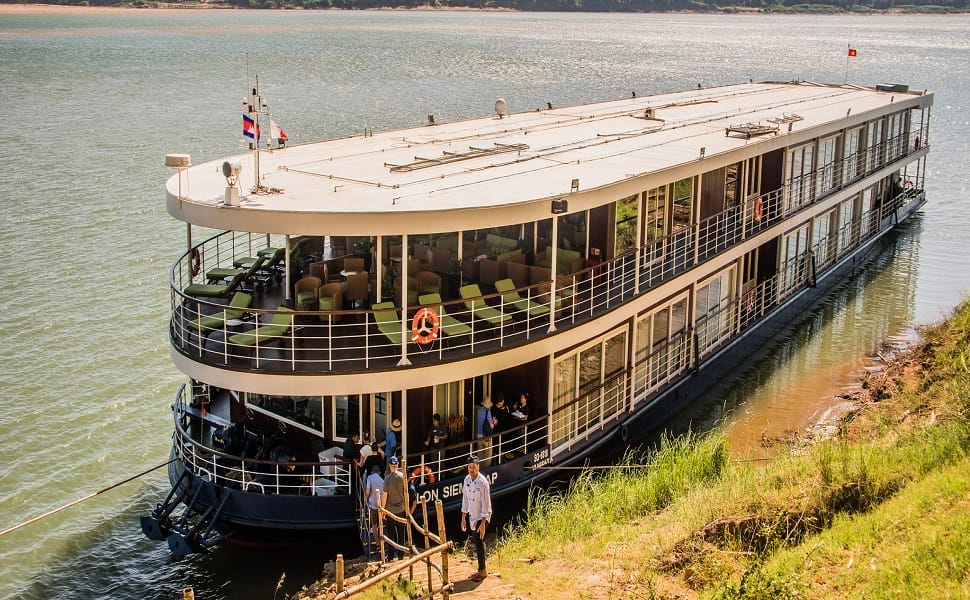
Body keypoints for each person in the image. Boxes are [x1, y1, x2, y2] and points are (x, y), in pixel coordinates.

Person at [460, 454, 492, 582]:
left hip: (483, 516)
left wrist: (483, 523)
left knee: (479, 542)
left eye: (474, 467)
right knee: (478, 541)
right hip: (472, 515)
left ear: (478, 467)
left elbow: (486, 504)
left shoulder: (483, 482)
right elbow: (465, 500)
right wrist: (463, 517)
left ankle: (483, 571)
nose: (471, 469)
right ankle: (480, 569)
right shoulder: (467, 480)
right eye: (469, 467)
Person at [381, 455, 408, 559]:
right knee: (401, 533)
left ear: (389, 466)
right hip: (401, 508)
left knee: (391, 534)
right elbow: (406, 493)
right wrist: (406, 507)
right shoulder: (402, 477)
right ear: (398, 465)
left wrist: (383, 510)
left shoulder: (387, 479)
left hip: (390, 510)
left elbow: (384, 496)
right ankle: (401, 554)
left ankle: (391, 556)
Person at [364, 464, 384, 546]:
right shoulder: (382, 480)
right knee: (380, 522)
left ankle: (377, 542)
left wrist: (365, 498)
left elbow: (368, 491)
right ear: (379, 473)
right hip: (381, 505)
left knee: (374, 524)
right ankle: (382, 539)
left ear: (372, 472)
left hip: (372, 505)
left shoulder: (369, 478)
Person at [475, 398, 496, 466]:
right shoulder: (488, 412)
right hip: (486, 436)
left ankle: (480, 467)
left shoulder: (479, 411)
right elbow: (491, 426)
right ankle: (486, 468)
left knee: (480, 453)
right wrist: (494, 422)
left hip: (479, 434)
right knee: (487, 454)